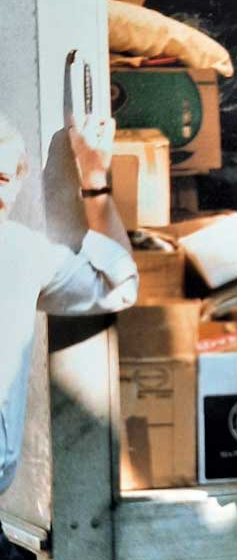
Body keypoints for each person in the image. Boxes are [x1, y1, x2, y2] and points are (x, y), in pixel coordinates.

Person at [2, 109, 138, 492]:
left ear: (17, 185)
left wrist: (93, 180)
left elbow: (118, 285)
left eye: (2, 179)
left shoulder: (19, 252)